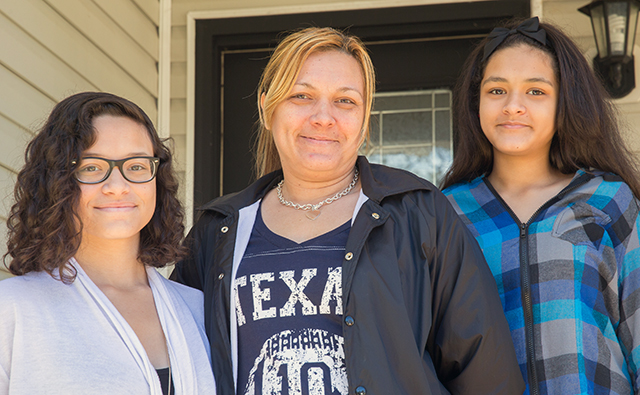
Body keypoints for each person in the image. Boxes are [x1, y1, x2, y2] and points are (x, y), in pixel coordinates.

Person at [171, 26, 524, 395]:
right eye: (302, 96)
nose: (323, 117)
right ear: (266, 107)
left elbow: (486, 374)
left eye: (345, 101)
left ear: (365, 116)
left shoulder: (418, 214)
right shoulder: (220, 230)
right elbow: (174, 362)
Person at [441, 17, 640, 394]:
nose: (513, 106)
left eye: (536, 91)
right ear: (476, 101)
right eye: (496, 91)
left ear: (565, 102)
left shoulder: (608, 200)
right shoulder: (447, 214)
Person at [0, 92, 216, 394]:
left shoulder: (198, 310)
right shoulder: (11, 311)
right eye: (92, 167)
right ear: (58, 181)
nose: (117, 186)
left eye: (137, 166)